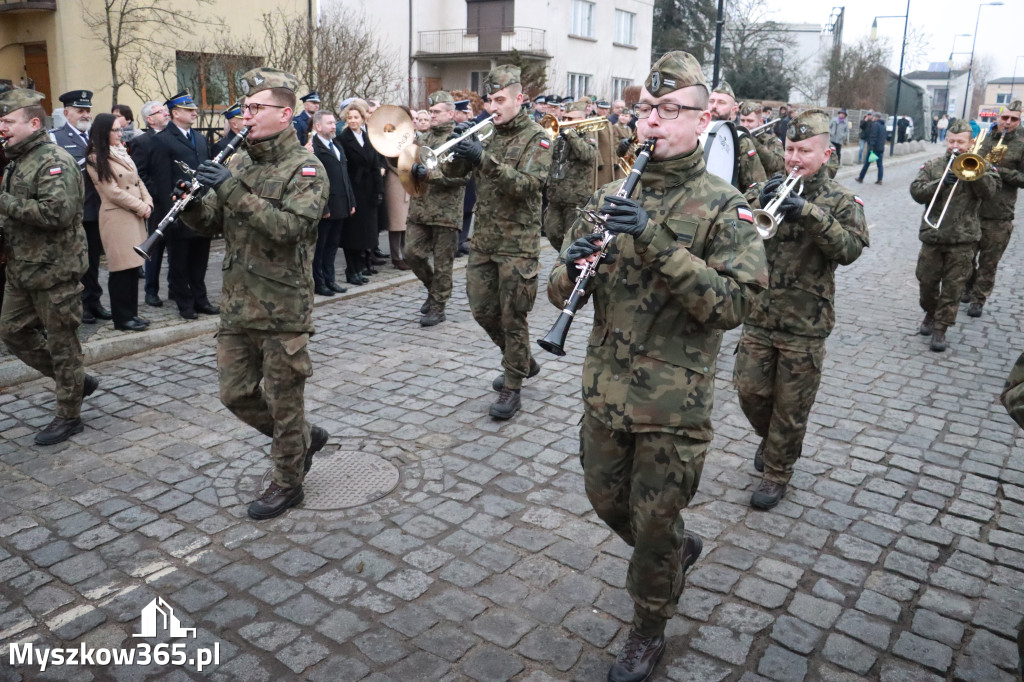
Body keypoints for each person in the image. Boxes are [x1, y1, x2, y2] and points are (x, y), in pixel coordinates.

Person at [548, 51, 768, 682]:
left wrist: (655, 240)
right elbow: (557, 289)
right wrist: (575, 270)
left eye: (671, 110)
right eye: (647, 108)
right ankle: (673, 555)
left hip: (673, 405)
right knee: (603, 498)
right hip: (605, 389)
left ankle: (648, 626)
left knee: (653, 522)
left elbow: (737, 302)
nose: (654, 121)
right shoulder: (608, 196)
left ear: (702, 122)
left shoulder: (726, 208)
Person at [178, 67, 329, 520]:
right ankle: (304, 438)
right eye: (245, 109)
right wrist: (192, 205)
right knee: (235, 394)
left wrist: (229, 190)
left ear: (285, 114)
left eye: (255, 108)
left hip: (283, 307)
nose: (246, 116)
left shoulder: (306, 168)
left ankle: (288, 482)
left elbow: (291, 229)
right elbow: (215, 224)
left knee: (285, 405)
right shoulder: (239, 160)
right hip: (238, 304)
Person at [735, 109, 869, 510]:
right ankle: (771, 440)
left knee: (791, 409)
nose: (794, 158)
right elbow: (733, 227)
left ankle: (777, 473)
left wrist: (809, 213)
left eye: (804, 151)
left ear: (826, 154)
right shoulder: (766, 187)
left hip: (805, 323)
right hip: (758, 315)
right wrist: (759, 199)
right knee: (750, 393)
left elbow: (849, 250)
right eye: (790, 148)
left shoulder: (842, 200)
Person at [441, 65, 550, 420]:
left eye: (500, 100)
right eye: (489, 100)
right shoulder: (485, 133)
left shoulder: (538, 137)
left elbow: (527, 186)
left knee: (512, 316)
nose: (493, 107)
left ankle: (512, 386)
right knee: (481, 309)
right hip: (484, 240)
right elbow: (452, 176)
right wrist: (459, 151)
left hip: (518, 244)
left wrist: (482, 159)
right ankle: (521, 360)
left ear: (520, 98)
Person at [0, 88, 99, 445]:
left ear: (34, 122)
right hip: (21, 268)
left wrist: (4, 201)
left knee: (63, 345)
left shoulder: (53, 159)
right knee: (11, 331)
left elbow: (56, 213)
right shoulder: (16, 159)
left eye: (9, 121)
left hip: (55, 270)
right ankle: (75, 381)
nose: (2, 128)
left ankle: (68, 415)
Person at [909, 119, 999, 352]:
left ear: (970, 144)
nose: (955, 146)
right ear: (946, 141)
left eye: (960, 142)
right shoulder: (933, 165)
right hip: (933, 236)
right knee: (926, 283)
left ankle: (941, 329)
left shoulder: (983, 166)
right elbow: (917, 192)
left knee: (953, 287)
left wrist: (975, 173)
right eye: (951, 141)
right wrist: (940, 183)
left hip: (963, 240)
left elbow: (991, 193)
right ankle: (930, 312)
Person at [85, 113, 153, 332]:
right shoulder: (96, 158)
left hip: (133, 215)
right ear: (104, 132)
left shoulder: (121, 151)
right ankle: (122, 318)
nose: (120, 133)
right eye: (115, 130)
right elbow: (111, 191)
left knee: (133, 267)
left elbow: (138, 179)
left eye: (120, 129)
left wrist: (148, 201)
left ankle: (131, 313)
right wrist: (140, 206)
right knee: (121, 269)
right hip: (117, 217)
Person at [405, 90, 468, 327]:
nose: (431, 115)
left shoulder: (460, 138)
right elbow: (409, 164)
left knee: (443, 264)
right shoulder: (423, 138)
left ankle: (438, 307)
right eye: (430, 111)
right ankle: (434, 291)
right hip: (420, 209)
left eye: (436, 112)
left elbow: (462, 177)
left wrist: (430, 175)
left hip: (446, 212)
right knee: (411, 253)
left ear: (450, 113)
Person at [152, 91, 217, 320]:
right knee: (179, 263)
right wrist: (170, 214)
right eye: (189, 110)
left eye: (194, 109)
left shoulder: (199, 138)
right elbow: (161, 179)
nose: (194, 113)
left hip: (201, 209)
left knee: (200, 260)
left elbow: (206, 172)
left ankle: (201, 299)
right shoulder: (162, 139)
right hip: (178, 210)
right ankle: (185, 303)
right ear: (175, 113)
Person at [50, 90, 110, 325]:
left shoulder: (95, 138)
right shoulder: (56, 138)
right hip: (76, 211)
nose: (85, 115)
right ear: (67, 113)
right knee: (78, 262)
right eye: (80, 111)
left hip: (97, 209)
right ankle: (81, 304)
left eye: (87, 111)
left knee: (94, 261)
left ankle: (94, 302)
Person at [964, 100, 1023, 318]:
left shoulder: (1022, 144)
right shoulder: (984, 139)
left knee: (988, 262)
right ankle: (968, 287)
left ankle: (979, 299)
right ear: (998, 117)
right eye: (1004, 117)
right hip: (974, 208)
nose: (1007, 122)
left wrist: (1003, 172)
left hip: (999, 213)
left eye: (1013, 119)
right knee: (966, 257)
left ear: (1019, 121)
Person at [129, 100, 171, 308]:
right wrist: (159, 194)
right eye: (159, 112)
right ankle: (151, 291)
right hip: (159, 202)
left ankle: (175, 286)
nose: (165, 113)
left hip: (178, 201)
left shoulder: (174, 137)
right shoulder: (142, 142)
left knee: (178, 246)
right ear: (149, 119)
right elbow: (141, 174)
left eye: (165, 110)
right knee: (155, 246)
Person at [337, 99, 384, 285]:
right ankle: (352, 270)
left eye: (356, 117)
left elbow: (375, 165)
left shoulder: (368, 137)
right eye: (349, 117)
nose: (353, 120)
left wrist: (379, 190)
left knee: (366, 233)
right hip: (354, 190)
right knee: (352, 234)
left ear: (363, 119)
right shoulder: (342, 139)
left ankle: (361, 267)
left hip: (369, 190)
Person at [310, 110, 356, 297]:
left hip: (341, 204)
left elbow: (345, 176)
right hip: (326, 207)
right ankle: (319, 282)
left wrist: (351, 200)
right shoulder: (313, 148)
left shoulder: (336, 145)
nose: (333, 126)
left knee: (332, 247)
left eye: (333, 122)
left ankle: (330, 279)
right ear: (318, 126)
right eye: (329, 123)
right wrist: (323, 207)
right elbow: (314, 182)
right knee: (320, 247)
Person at [543, 99, 598, 252]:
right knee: (552, 232)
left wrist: (571, 135)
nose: (565, 121)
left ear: (581, 119)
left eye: (570, 119)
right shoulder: (558, 135)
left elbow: (588, 154)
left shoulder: (587, 134)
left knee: (573, 236)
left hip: (575, 199)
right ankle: (565, 257)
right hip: (555, 196)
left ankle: (569, 265)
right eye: (565, 118)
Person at [709, 81, 765, 190]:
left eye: (721, 102)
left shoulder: (740, 141)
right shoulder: (694, 132)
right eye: (711, 101)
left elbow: (757, 187)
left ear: (733, 110)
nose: (714, 106)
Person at [453, 99, 476, 256]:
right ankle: (454, 243)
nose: (468, 115)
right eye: (465, 113)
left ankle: (461, 241)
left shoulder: (472, 127)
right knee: (459, 211)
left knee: (468, 209)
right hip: (458, 175)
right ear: (456, 114)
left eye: (468, 112)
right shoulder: (454, 129)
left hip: (471, 176)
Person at [739, 101, 784, 176]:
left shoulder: (771, 140)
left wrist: (754, 142)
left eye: (750, 121)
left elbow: (779, 165)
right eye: (742, 120)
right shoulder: (735, 137)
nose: (745, 125)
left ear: (760, 121)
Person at [856, 112, 885, 185]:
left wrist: (871, 147)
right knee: (880, 165)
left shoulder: (875, 125)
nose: (872, 118)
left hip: (874, 148)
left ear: (875, 117)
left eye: (873, 117)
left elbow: (873, 136)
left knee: (866, 164)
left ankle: (860, 178)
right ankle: (880, 179)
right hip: (880, 148)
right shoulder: (883, 126)